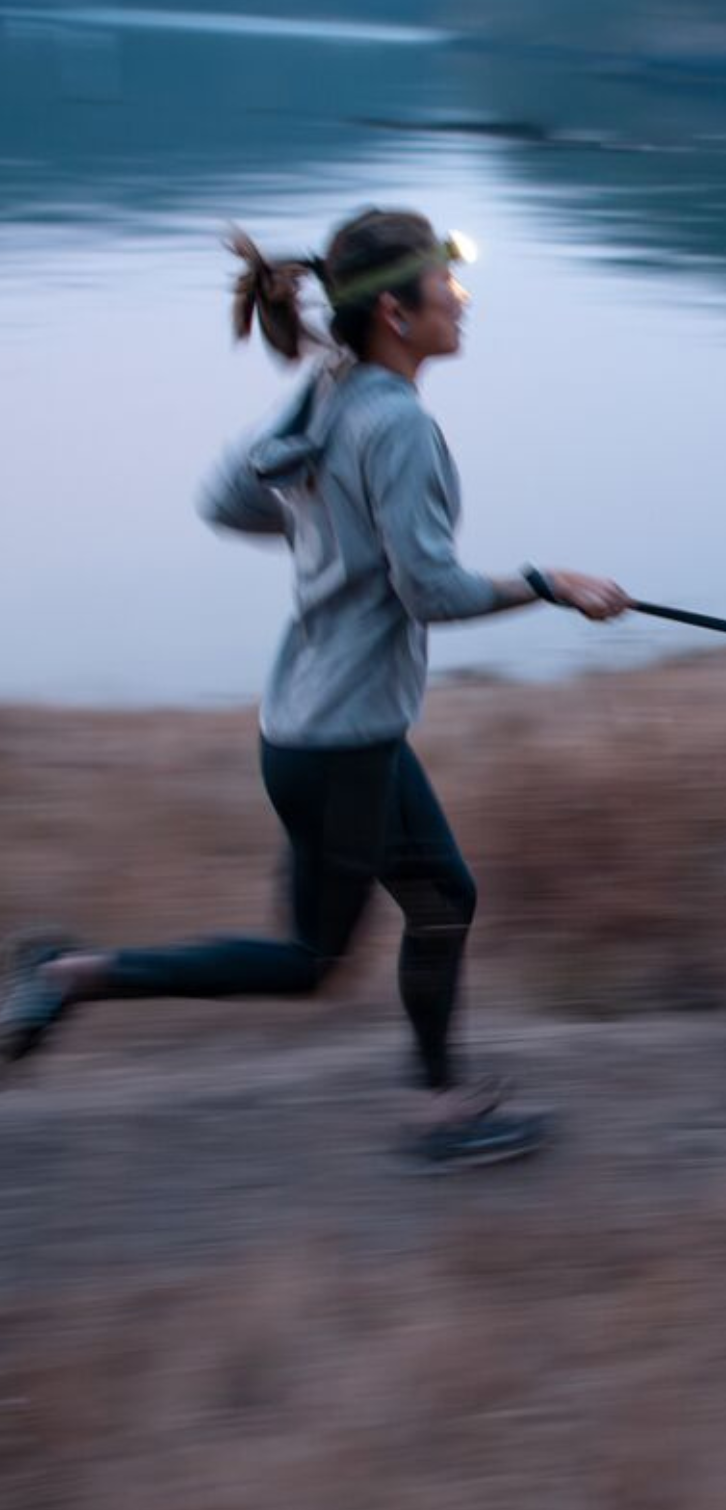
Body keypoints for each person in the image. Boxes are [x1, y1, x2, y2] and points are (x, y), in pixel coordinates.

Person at [0, 207, 632, 1168]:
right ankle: (73, 976)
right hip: (340, 743)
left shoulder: (332, 390)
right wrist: (549, 586)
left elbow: (226, 496)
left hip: (317, 729)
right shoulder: (399, 425)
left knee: (432, 901)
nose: (462, 300)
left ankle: (441, 1103)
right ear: (394, 310)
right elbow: (431, 591)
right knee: (326, 955)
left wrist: (321, 528)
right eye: (445, 285)